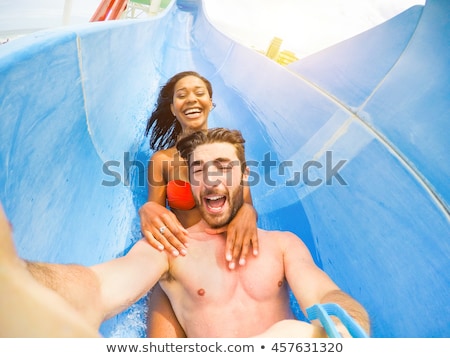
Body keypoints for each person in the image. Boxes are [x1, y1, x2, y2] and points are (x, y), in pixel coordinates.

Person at [1, 128, 370, 338]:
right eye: (199, 170)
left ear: (244, 177)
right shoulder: (169, 250)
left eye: (224, 167)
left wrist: (344, 322)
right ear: (189, 183)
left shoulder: (283, 245)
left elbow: (325, 293)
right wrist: (17, 277)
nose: (211, 178)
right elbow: (98, 286)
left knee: (294, 334)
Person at [139, 71, 259, 337]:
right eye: (181, 95)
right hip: (183, 256)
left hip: (223, 254)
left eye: (199, 92)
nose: (191, 99)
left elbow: (246, 206)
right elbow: (154, 212)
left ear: (211, 102)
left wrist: (248, 212)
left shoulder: (228, 149)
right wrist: (147, 209)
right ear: (172, 108)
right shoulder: (162, 161)